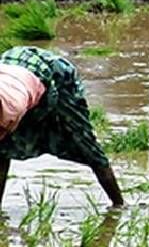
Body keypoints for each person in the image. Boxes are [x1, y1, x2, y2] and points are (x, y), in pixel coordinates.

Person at [0, 46, 124, 207]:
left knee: (85, 142)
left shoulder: (11, 108)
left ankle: (119, 205)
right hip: (14, 64)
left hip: (55, 76)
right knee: (2, 152)